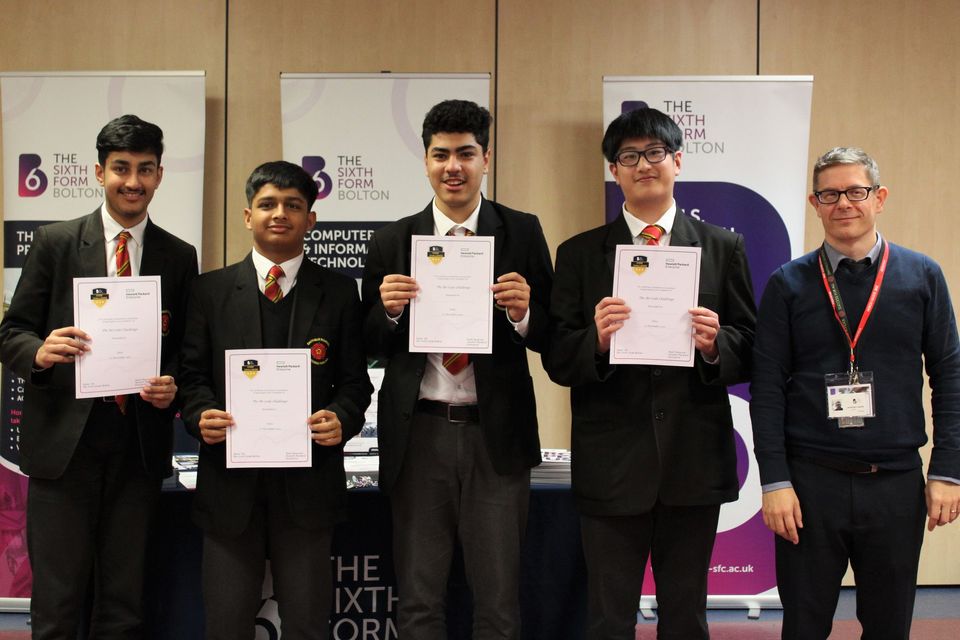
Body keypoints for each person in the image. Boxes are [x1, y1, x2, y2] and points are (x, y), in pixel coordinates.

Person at [544, 106, 756, 639]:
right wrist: (594, 339)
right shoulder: (579, 255)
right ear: (614, 171)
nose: (643, 165)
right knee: (608, 617)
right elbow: (556, 357)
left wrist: (714, 346)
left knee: (686, 616)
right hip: (612, 463)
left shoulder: (721, 247)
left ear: (678, 161)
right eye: (628, 157)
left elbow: (751, 345)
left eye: (655, 153)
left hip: (693, 460)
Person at [360, 99, 553, 638]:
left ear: (485, 158)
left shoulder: (522, 230)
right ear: (425, 161)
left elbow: (556, 335)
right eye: (441, 154)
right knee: (420, 599)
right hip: (419, 434)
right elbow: (366, 340)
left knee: (497, 601)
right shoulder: (393, 239)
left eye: (466, 153)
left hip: (496, 435)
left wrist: (524, 314)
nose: (454, 166)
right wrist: (389, 311)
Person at [0, 114, 198, 639]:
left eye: (145, 169)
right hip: (65, 446)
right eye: (121, 168)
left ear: (159, 175)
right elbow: (10, 333)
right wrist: (41, 352)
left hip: (136, 445)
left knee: (123, 602)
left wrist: (172, 382)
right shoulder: (55, 243)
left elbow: (184, 348)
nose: (133, 181)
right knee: (59, 604)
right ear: (98, 171)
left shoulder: (178, 256)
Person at [750, 147, 960, 639]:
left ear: (879, 198)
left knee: (888, 627)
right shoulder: (788, 284)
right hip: (808, 486)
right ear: (814, 202)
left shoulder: (922, 276)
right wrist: (775, 481)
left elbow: (949, 376)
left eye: (856, 191)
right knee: (803, 625)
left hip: (895, 484)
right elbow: (766, 387)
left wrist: (948, 470)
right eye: (830, 193)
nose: (843, 202)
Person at [178, 161, 372, 640]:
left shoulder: (341, 292)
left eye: (293, 205)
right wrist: (201, 414)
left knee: (307, 626)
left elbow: (356, 383)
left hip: (308, 490)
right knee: (226, 626)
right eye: (267, 204)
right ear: (248, 216)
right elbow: (190, 377)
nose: (279, 213)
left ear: (311, 219)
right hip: (229, 490)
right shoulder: (209, 291)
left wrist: (342, 419)